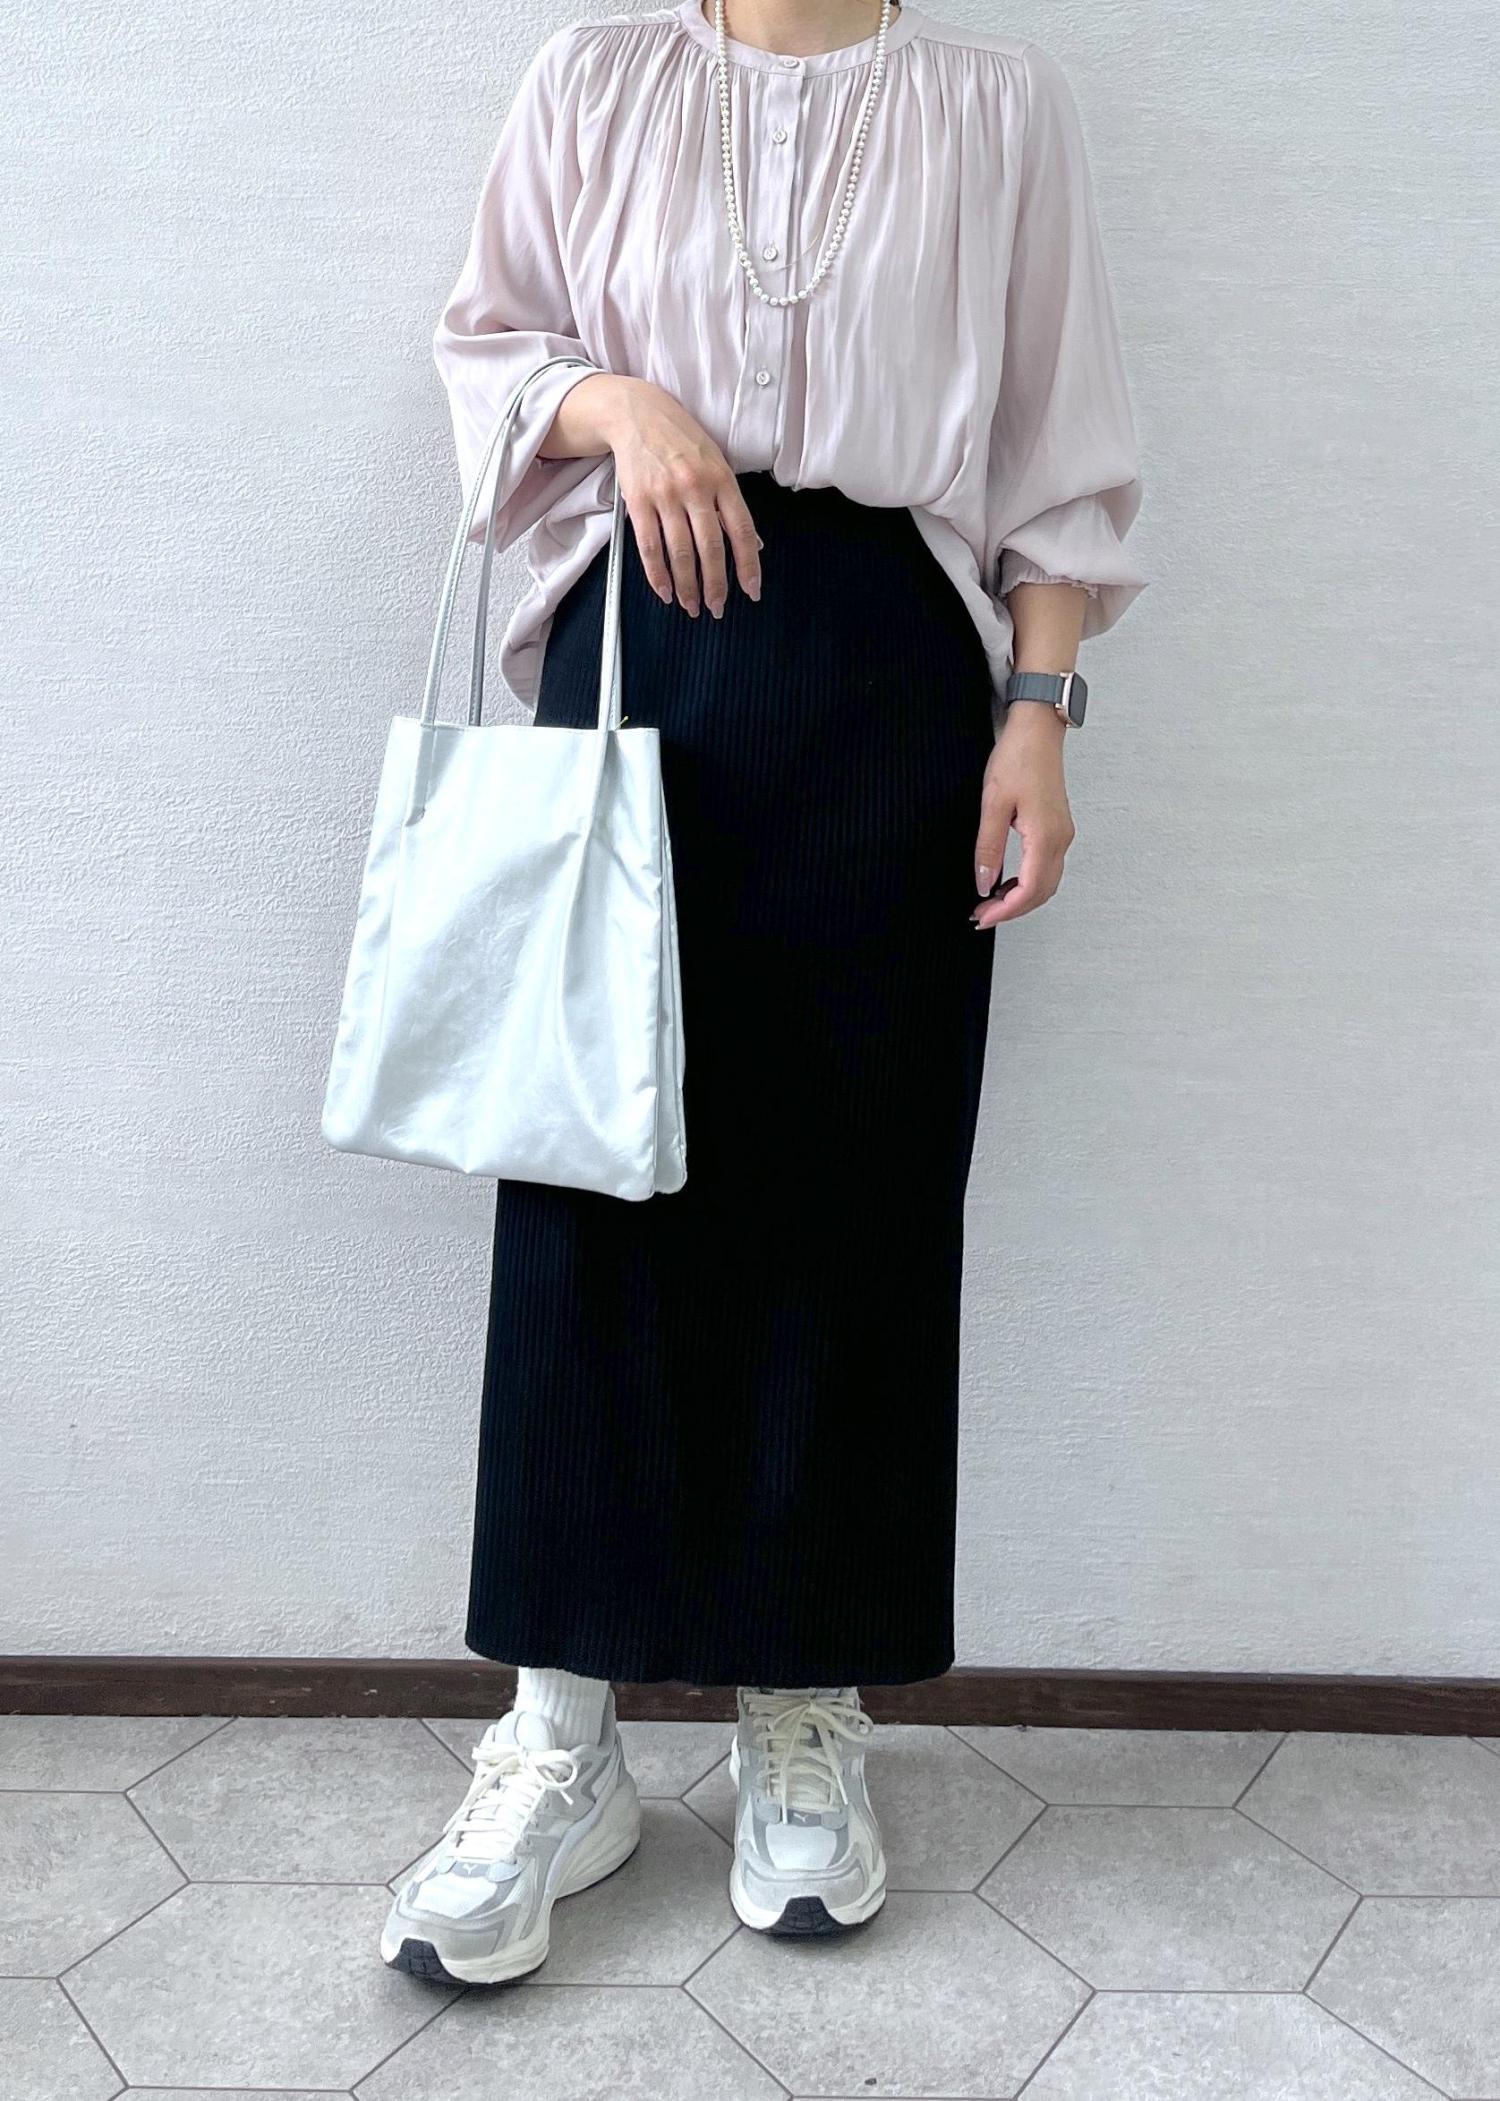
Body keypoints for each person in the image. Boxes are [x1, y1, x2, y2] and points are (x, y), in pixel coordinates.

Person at [380, 0, 1145, 1983]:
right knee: (587, 1187)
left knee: (855, 1190)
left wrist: (1041, 711)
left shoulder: (993, 105)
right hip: (633, 667)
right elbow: (486, 342)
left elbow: (1056, 445)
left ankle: (805, 1706)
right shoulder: (598, 77)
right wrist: (616, 402)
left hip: (893, 668)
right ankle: (559, 1735)